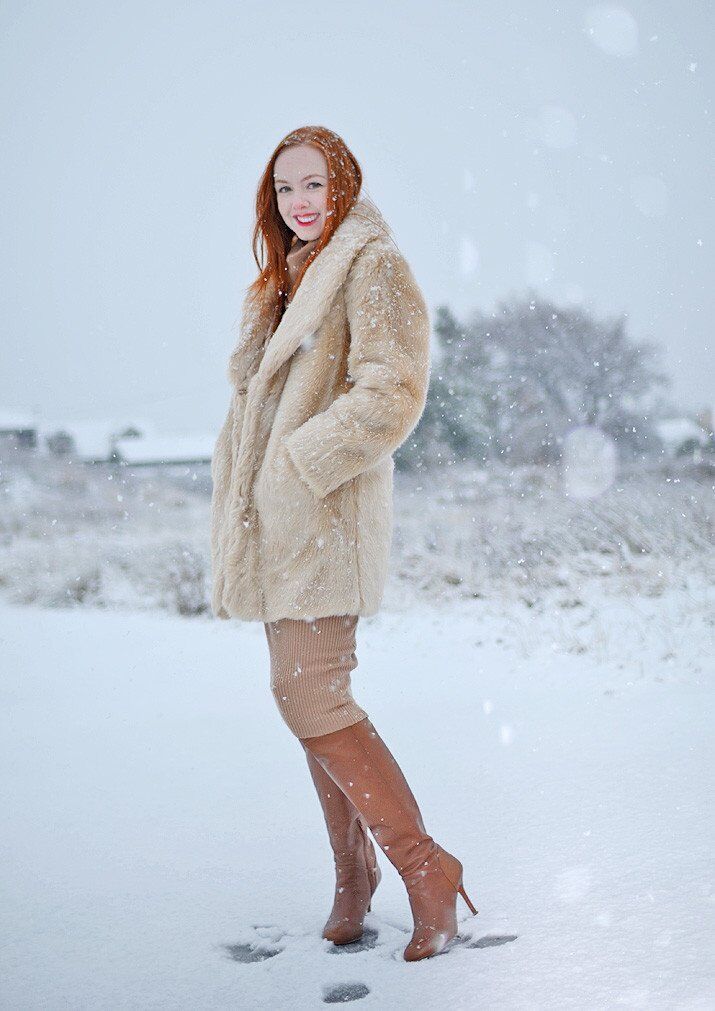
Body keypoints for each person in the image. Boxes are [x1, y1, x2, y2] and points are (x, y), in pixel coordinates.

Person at [210, 125, 477, 961]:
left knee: (312, 696)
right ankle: (352, 877)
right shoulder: (281, 284)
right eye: (286, 187)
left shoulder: (373, 265)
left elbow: (393, 390)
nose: (301, 201)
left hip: (320, 522)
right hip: (276, 532)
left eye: (315, 184)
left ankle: (425, 869)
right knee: (304, 699)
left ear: (344, 186)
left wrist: (301, 463)